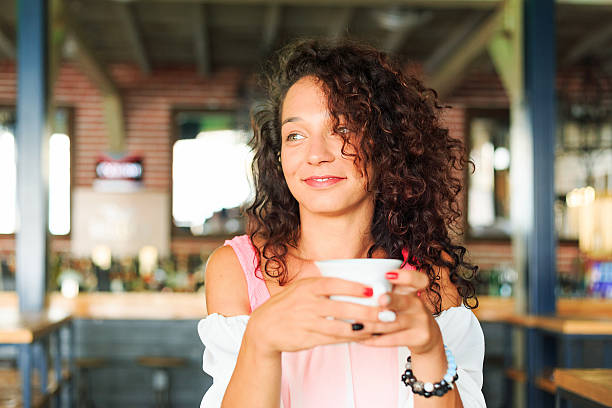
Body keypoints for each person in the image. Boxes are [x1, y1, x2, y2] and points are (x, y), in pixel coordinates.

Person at [198, 39, 485, 408]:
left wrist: (429, 350)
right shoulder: (237, 270)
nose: (316, 154)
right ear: (279, 155)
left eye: (343, 129)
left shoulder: (429, 274)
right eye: (295, 135)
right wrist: (260, 339)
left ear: (385, 146)